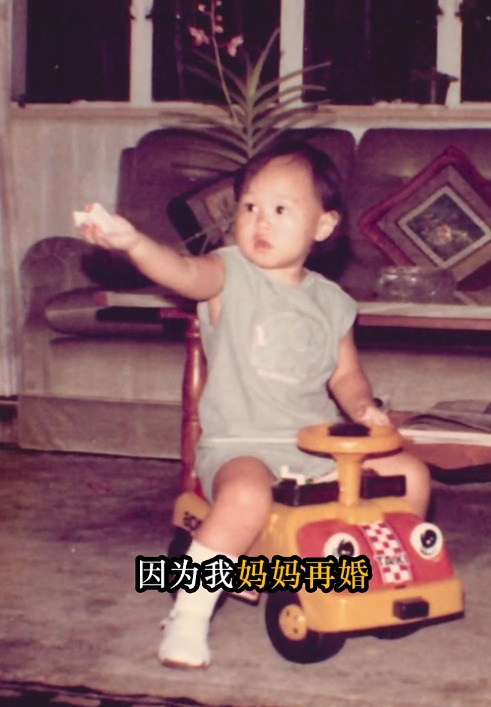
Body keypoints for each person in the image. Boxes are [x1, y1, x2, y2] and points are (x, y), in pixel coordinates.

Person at [79, 142, 430, 670]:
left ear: (323, 225)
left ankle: (385, 575)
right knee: (246, 496)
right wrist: (133, 243)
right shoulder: (227, 273)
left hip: (317, 447)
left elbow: (347, 375)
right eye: (249, 206)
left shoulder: (333, 302)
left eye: (281, 209)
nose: (260, 221)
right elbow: (179, 271)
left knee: (410, 474)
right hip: (241, 445)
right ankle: (189, 614)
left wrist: (363, 409)